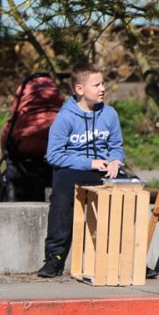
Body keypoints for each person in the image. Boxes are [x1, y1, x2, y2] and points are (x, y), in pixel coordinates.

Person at [37, 64, 125, 278]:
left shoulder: (110, 114)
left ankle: (126, 257)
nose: (103, 88)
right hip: (73, 169)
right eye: (97, 85)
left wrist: (116, 161)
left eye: (103, 83)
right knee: (61, 194)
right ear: (79, 89)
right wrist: (89, 163)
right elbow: (54, 156)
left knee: (128, 190)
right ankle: (55, 257)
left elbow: (116, 147)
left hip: (102, 169)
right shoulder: (65, 117)